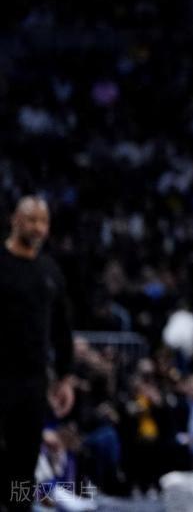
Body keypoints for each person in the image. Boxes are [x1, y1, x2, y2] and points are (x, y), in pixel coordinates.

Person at [0, 196, 75, 512]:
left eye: (44, 221)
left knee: (25, 461)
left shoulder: (50, 271)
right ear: (14, 220)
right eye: (32, 220)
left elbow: (62, 328)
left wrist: (65, 377)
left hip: (33, 382)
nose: (38, 228)